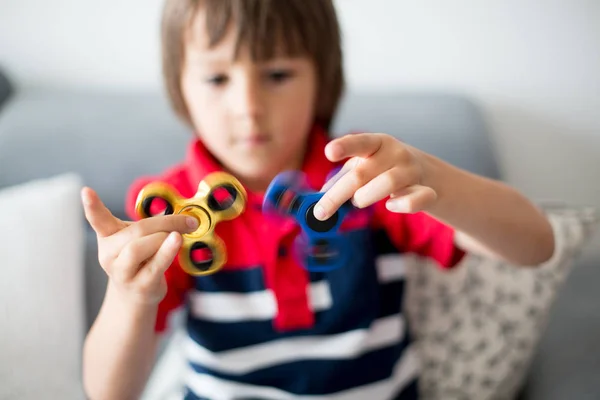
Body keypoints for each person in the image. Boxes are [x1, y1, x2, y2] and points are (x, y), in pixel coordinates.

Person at [81, 1, 555, 399]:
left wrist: (431, 175)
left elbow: (537, 245)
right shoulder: (172, 211)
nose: (248, 106)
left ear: (322, 81)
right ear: (180, 87)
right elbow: (109, 392)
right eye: (217, 79)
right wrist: (129, 298)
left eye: (278, 73)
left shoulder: (367, 178)